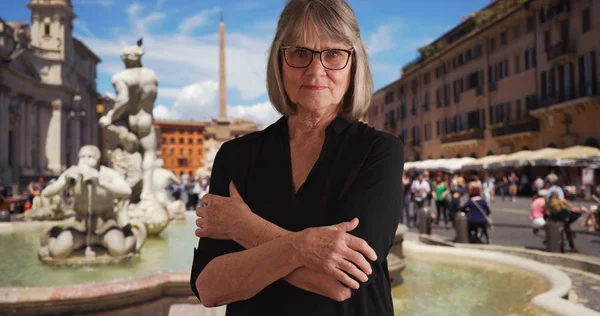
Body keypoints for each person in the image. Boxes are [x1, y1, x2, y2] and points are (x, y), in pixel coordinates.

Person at [190, 1, 403, 315]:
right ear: (280, 60)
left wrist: (244, 228)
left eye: (333, 54)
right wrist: (307, 250)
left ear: (353, 64)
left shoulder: (379, 151)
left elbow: (341, 283)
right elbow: (208, 287)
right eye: (300, 53)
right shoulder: (235, 155)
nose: (315, 70)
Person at [545, 174, 582, 253]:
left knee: (564, 226)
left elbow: (547, 203)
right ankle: (571, 246)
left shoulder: (548, 190)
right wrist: (573, 207)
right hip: (560, 211)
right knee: (577, 214)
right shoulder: (558, 189)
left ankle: (564, 243)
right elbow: (562, 200)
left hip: (552, 213)